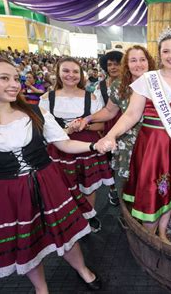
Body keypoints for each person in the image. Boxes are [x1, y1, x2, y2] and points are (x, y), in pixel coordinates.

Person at [0, 56, 101, 292]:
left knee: (66, 233)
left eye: (15, 78)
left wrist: (94, 146)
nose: (14, 84)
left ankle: (83, 269)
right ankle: (41, 288)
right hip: (5, 194)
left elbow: (64, 143)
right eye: (4, 78)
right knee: (27, 242)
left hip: (47, 182)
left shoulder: (34, 112)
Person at [96, 28, 171, 241]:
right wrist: (111, 135)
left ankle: (161, 233)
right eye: (166, 51)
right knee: (153, 193)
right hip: (151, 148)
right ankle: (147, 238)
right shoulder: (148, 79)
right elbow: (131, 115)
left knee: (169, 192)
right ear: (159, 55)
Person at [73, 45, 156, 204]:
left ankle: (147, 219)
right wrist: (88, 119)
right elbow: (109, 111)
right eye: (133, 60)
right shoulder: (119, 85)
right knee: (128, 185)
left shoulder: (159, 83)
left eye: (142, 60)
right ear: (127, 64)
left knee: (152, 183)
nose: (138, 64)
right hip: (128, 142)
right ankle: (129, 217)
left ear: (149, 62)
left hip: (153, 142)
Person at [39, 57, 113, 233]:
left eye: (75, 71)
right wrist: (66, 130)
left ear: (81, 74)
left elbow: (101, 125)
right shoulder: (46, 99)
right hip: (58, 149)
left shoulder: (91, 97)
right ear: (58, 73)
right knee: (62, 186)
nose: (70, 75)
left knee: (88, 185)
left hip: (87, 146)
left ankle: (88, 215)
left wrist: (84, 124)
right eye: (66, 71)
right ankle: (69, 219)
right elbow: (42, 129)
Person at [97, 50, 124, 135]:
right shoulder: (101, 86)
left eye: (116, 64)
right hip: (108, 124)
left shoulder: (130, 83)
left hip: (128, 123)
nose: (113, 67)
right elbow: (99, 108)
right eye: (109, 65)